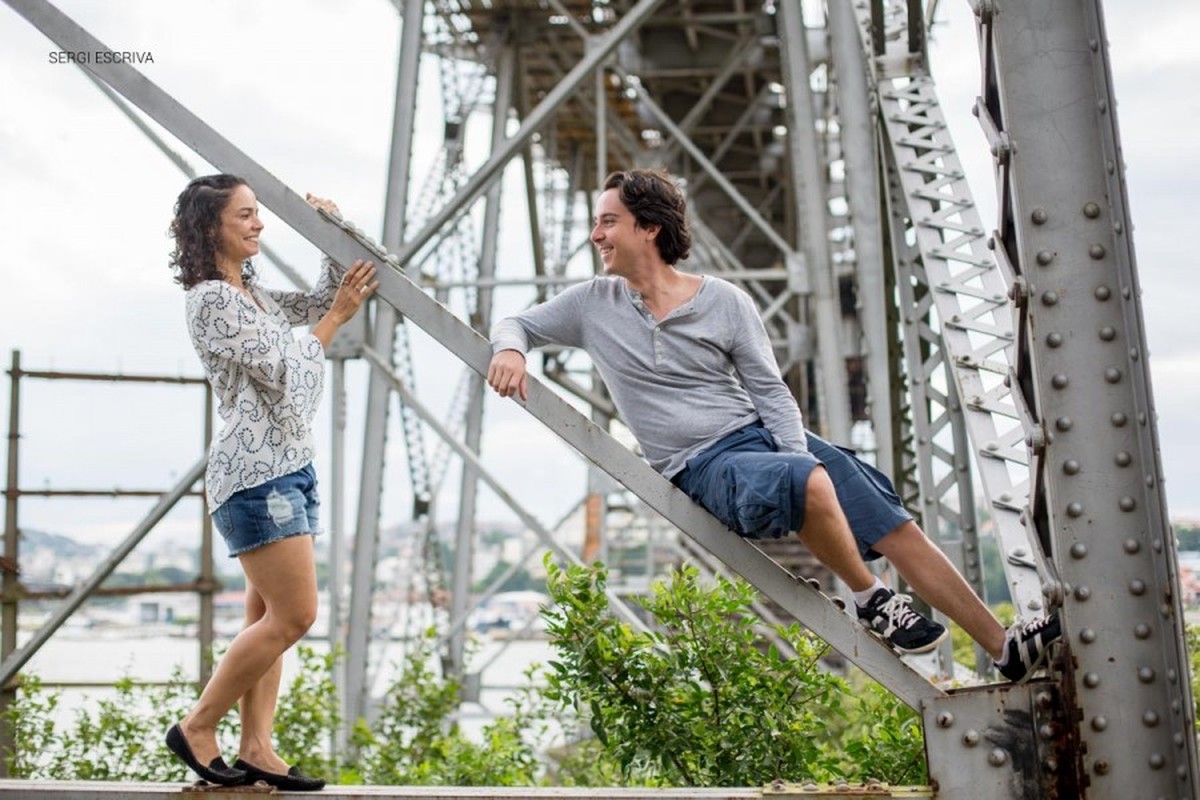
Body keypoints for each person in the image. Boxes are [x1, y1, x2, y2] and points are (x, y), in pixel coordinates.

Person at [487, 168, 1060, 682]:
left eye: (608, 222)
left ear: (649, 229)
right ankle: (870, 598)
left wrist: (798, 457)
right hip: (702, 464)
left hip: (761, 434)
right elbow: (516, 321)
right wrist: (512, 351)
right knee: (807, 482)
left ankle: (1004, 645)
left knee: (892, 523)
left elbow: (770, 392)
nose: (596, 236)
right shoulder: (593, 304)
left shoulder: (725, 302)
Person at [164, 174, 378, 789]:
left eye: (259, 213)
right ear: (212, 229)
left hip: (288, 468)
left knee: (269, 620)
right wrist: (337, 319)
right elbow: (291, 377)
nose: (259, 224)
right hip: (257, 477)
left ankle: (256, 746)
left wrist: (330, 233)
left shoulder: (248, 291)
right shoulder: (213, 301)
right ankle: (198, 726)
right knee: (295, 615)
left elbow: (316, 305)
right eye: (246, 215)